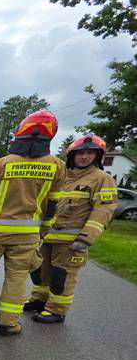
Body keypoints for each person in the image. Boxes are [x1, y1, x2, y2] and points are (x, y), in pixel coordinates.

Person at [0, 110, 66, 336]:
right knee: (16, 279)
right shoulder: (57, 166)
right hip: (26, 236)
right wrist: (43, 230)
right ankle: (8, 323)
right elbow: (54, 204)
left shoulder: (2, 164)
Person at [25, 134, 118, 323]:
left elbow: (103, 210)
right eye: (80, 153)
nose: (84, 157)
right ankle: (39, 300)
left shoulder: (101, 179)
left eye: (90, 153)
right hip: (48, 236)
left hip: (72, 241)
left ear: (97, 156)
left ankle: (57, 310)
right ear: (72, 155)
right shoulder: (63, 176)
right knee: (40, 270)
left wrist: (86, 238)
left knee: (62, 276)